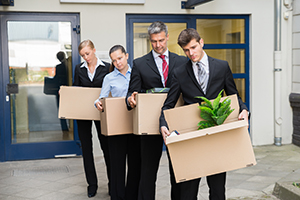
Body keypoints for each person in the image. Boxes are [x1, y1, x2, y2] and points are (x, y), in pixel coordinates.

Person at [159, 28, 250, 200]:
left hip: (216, 136)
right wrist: (163, 124)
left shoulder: (222, 67)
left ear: (201, 42)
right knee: (188, 192)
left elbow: (234, 97)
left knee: (217, 190)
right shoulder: (179, 72)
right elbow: (168, 105)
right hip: (191, 137)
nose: (190, 53)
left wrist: (244, 110)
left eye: (193, 47)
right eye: (186, 50)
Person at [126, 21, 187, 200]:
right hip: (150, 124)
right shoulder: (139, 64)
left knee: (177, 170)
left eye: (161, 40)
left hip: (175, 122)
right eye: (154, 41)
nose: (158, 45)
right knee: (148, 171)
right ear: (149, 40)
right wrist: (130, 99)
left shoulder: (182, 61)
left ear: (167, 37)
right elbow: (132, 92)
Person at [94, 45, 141, 200]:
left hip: (135, 124)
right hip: (116, 126)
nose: (118, 63)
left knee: (135, 165)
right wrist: (98, 103)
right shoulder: (109, 78)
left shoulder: (137, 73)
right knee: (117, 165)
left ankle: (131, 196)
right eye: (114, 61)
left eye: (120, 58)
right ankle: (118, 196)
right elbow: (102, 97)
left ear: (126, 56)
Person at [73, 39, 111, 198]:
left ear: (94, 50)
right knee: (86, 149)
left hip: (101, 112)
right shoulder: (79, 69)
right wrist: (68, 93)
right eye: (83, 55)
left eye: (87, 53)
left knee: (107, 148)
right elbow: (76, 88)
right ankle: (92, 184)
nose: (86, 58)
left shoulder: (108, 67)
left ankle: (113, 183)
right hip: (83, 113)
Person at [53, 51, 69, 132]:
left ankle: (65, 128)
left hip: (61, 90)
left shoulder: (59, 67)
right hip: (69, 90)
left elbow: (56, 79)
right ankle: (70, 127)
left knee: (61, 109)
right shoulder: (69, 65)